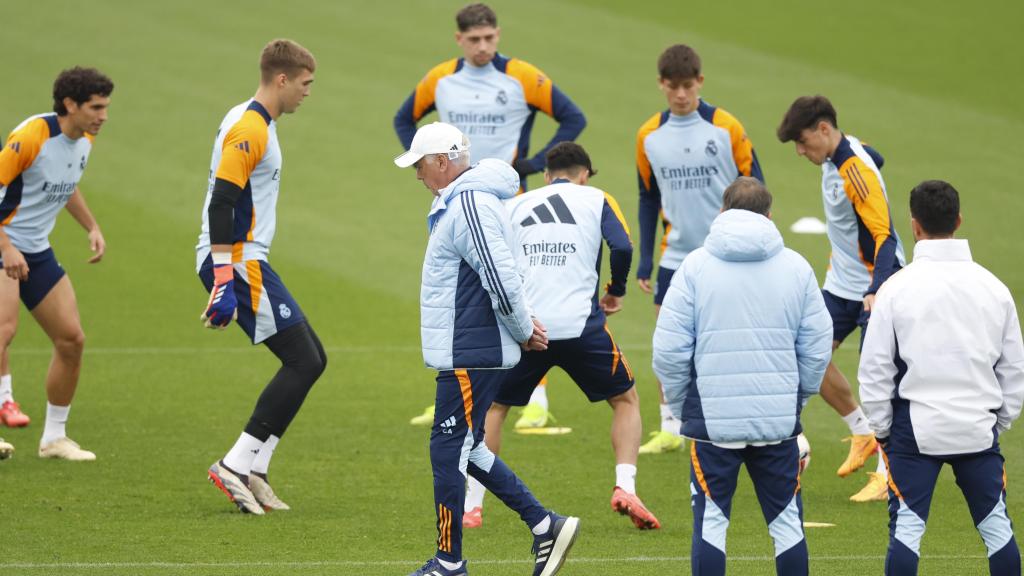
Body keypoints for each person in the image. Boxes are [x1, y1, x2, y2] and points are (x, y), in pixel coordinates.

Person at [395, 122, 579, 576]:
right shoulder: (463, 201)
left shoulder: (469, 203)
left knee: (447, 450)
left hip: (472, 350)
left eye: (420, 165)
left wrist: (520, 328)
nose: (417, 174)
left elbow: (499, 274)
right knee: (468, 446)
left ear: (442, 162)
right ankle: (545, 525)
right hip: (469, 347)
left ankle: (449, 561)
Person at [395, 2, 587, 429]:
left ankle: (535, 395)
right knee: (460, 291)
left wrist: (531, 165)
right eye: (474, 39)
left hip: (510, 198)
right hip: (456, 196)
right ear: (459, 39)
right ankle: (457, 382)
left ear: (497, 35)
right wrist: (426, 163)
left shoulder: (521, 76)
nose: (483, 46)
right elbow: (403, 118)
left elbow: (573, 117)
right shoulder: (440, 79)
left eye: (489, 38)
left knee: (515, 282)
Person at [462, 142, 659, 530]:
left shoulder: (516, 203)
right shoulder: (597, 198)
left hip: (526, 328)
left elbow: (490, 253)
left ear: (547, 175)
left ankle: (472, 506)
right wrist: (615, 290)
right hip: (580, 327)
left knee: (496, 408)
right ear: (584, 173)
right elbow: (621, 245)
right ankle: (625, 487)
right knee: (625, 400)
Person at [653, 178, 831, 576]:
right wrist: (796, 398)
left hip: (712, 423)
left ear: (722, 212)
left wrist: (685, 408)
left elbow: (668, 351)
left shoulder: (695, 266)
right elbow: (818, 347)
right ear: (769, 215)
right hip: (777, 421)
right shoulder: (796, 267)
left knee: (712, 522)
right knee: (786, 523)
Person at [859, 180, 1024, 576]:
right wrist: (996, 422)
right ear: (960, 220)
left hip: (915, 431)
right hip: (977, 427)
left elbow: (874, 370)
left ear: (914, 226)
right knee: (997, 529)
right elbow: (1014, 370)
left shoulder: (895, 289)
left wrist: (883, 430)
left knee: (908, 532)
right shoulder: (994, 288)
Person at [198, 39, 326, 515]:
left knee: (315, 358)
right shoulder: (251, 128)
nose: (307, 93)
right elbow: (221, 203)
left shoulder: (255, 122)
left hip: (245, 258)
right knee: (302, 361)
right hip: (238, 259)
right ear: (282, 79)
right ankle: (234, 464)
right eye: (305, 84)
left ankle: (255, 468)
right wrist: (224, 279)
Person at [636, 44, 764, 455]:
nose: (680, 95)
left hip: (728, 253)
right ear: (661, 85)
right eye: (673, 87)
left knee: (731, 338)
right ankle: (670, 425)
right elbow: (647, 198)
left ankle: (740, 416)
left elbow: (757, 187)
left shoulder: (726, 127)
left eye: (688, 86)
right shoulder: (649, 136)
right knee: (667, 342)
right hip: (674, 257)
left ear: (700, 83)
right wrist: (644, 259)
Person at [777, 95, 906, 502]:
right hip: (839, 286)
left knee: (880, 381)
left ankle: (888, 474)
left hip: (875, 287)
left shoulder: (854, 171)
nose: (800, 152)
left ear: (823, 129)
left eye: (802, 142)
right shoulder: (839, 154)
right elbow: (877, 157)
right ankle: (861, 431)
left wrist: (876, 289)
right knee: (807, 354)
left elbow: (884, 235)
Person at [0, 66, 113, 461]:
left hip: (34, 249)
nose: (103, 116)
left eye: (105, 107)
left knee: (71, 339)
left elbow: (63, 185)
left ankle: (54, 439)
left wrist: (91, 226)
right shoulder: (32, 136)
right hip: (3, 243)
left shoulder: (83, 141)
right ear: (70, 104)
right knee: (3, 330)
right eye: (96, 107)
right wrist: (7, 248)